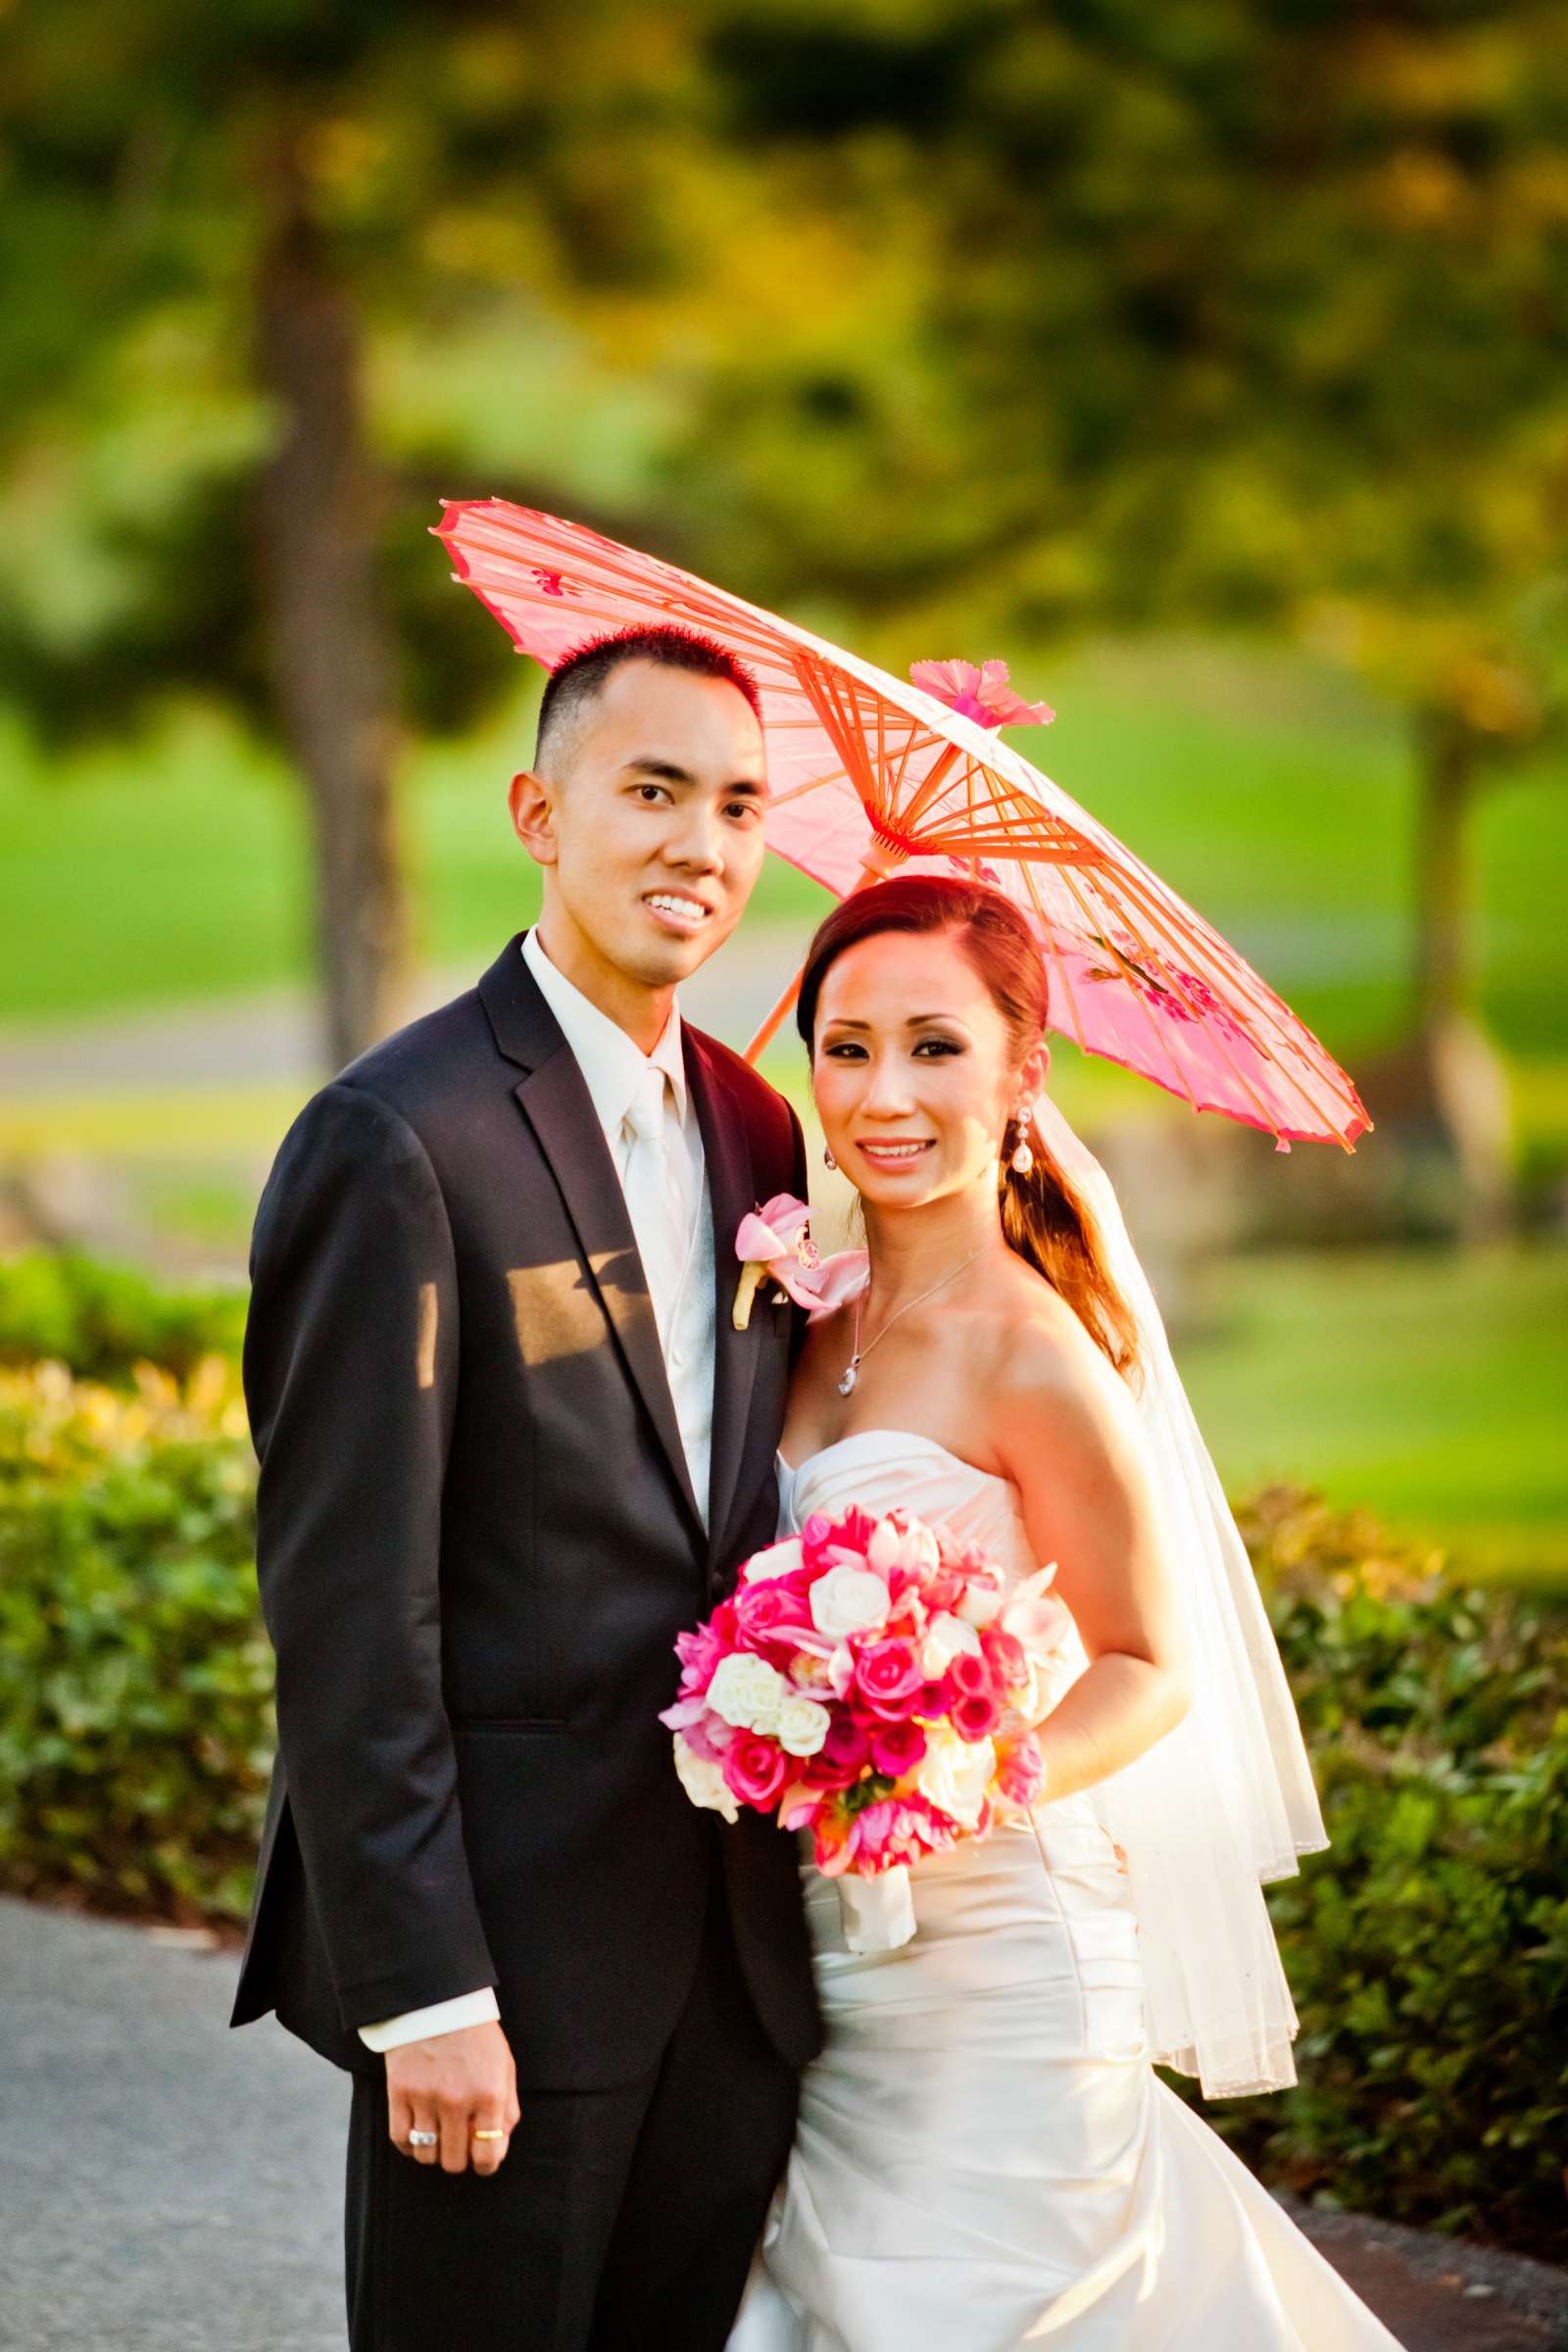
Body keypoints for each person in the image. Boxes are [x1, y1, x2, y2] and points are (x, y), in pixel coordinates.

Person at [231, 625, 820, 2352]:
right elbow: (349, 1608)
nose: (698, 848)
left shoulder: (763, 1136)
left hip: (732, 1977)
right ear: (536, 812)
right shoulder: (396, 1136)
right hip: (503, 1976)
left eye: (735, 805)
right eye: (650, 792)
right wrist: (426, 1994)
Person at [730, 873, 1404, 2350]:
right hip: (825, 1967)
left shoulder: (1037, 1354)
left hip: (1002, 1957)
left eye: (934, 1046)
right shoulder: (797, 1320)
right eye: (845, 1047)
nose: (882, 1094)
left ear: (1024, 1069)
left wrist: (959, 1773)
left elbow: (1151, 1665)